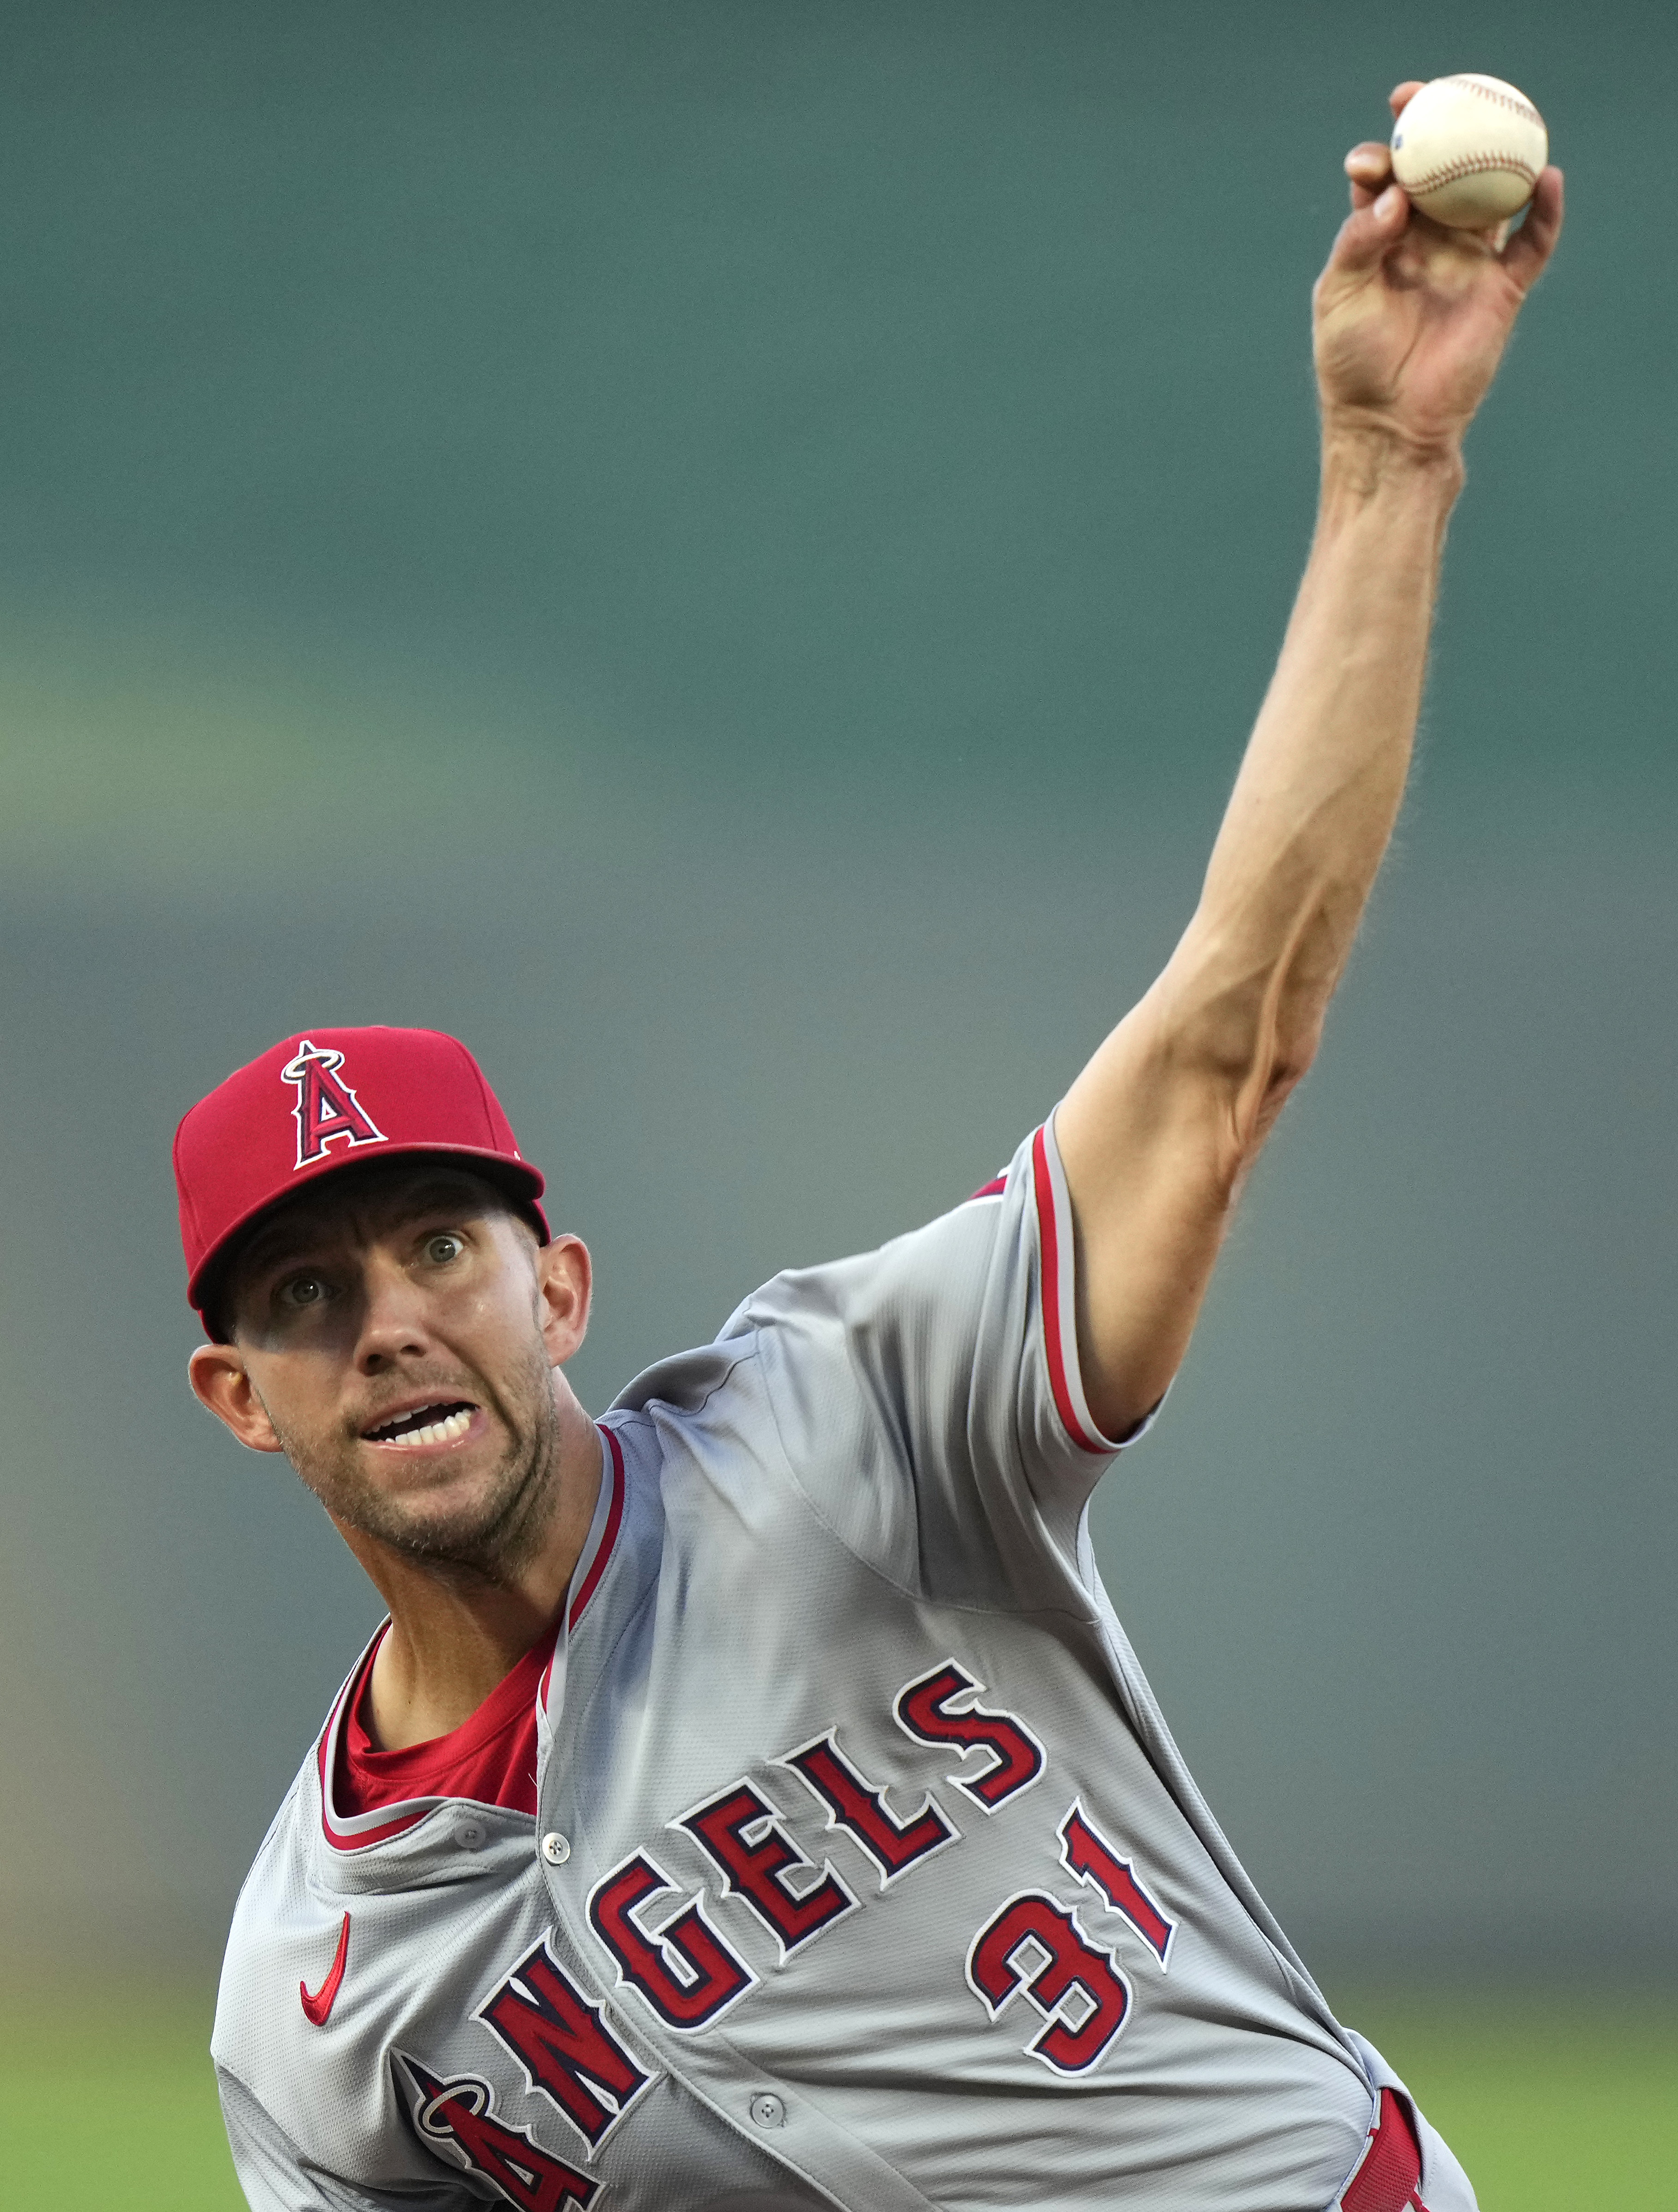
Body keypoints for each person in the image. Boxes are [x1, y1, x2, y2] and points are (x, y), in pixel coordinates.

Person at [179, 88, 1561, 2212]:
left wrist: (1389, 464)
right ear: (240, 1403)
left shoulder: (852, 1417)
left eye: (435, 1245)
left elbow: (1222, 1042)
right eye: (306, 1295)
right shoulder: (309, 1999)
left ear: (554, 1285)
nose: (385, 1322)